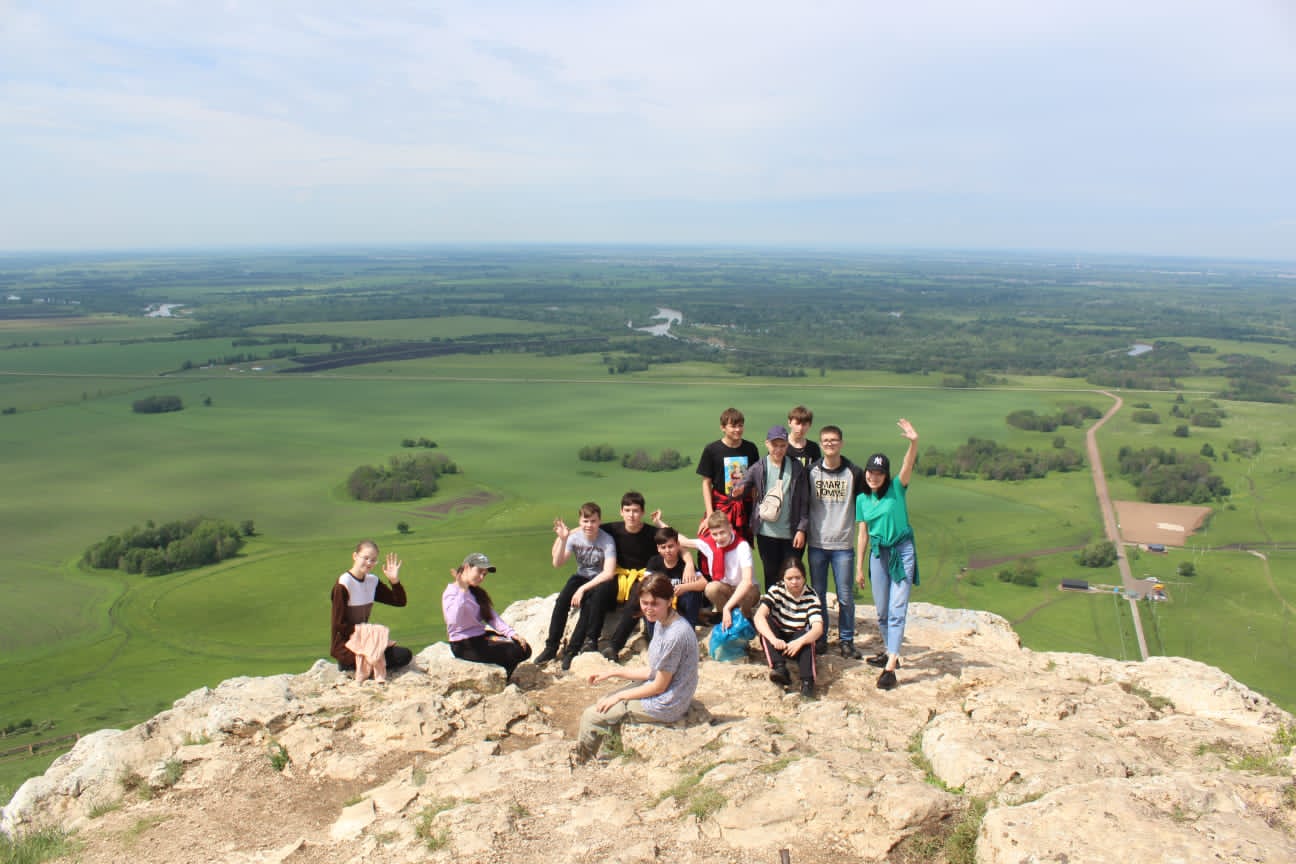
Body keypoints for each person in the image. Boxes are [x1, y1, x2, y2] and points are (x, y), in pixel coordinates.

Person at [575, 573, 701, 762]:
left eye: (654, 604)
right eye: (644, 603)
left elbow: (659, 686)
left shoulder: (675, 635)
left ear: (669, 601)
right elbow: (655, 670)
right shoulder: (662, 621)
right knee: (605, 700)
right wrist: (614, 672)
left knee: (592, 715)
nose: (648, 609)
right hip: (665, 687)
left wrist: (620, 696)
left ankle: (582, 760)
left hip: (668, 702)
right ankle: (612, 751)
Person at [855, 418, 921, 690]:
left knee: (897, 609)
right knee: (882, 610)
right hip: (878, 554)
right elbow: (863, 533)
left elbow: (908, 465)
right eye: (870, 472)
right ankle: (889, 649)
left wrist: (913, 442)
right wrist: (859, 567)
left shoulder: (896, 488)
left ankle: (891, 666)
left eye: (878, 473)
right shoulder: (862, 499)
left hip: (901, 552)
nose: (873, 477)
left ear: (886, 475)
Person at [807, 424, 867, 658]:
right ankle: (820, 638)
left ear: (841, 443)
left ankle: (846, 641)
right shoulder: (811, 471)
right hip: (817, 543)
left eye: (834, 440)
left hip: (843, 544)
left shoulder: (854, 472)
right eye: (826, 440)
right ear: (821, 444)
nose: (830, 444)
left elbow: (864, 506)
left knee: (845, 596)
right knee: (818, 595)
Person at [534, 502, 617, 671]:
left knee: (588, 607)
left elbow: (608, 572)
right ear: (580, 521)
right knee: (561, 602)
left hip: (599, 579)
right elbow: (557, 563)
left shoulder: (607, 540)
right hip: (580, 576)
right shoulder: (574, 537)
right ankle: (551, 647)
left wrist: (582, 589)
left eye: (593, 521)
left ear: (599, 521)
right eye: (585, 521)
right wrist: (563, 539)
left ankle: (572, 650)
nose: (589, 525)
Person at [607, 526, 707, 658]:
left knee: (692, 594)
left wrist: (685, 587)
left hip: (680, 605)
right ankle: (619, 645)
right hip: (660, 606)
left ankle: (688, 636)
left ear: (678, 546)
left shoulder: (684, 564)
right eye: (663, 547)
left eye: (671, 546)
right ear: (658, 549)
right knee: (644, 597)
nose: (667, 551)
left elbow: (703, 583)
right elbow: (646, 584)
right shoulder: (655, 562)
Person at [732, 425, 809, 591]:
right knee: (771, 574)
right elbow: (742, 486)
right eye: (775, 445)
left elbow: (804, 502)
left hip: (791, 533)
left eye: (782, 445)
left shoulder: (797, 467)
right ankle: (772, 607)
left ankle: (791, 607)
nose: (778, 450)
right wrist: (737, 491)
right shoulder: (759, 467)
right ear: (767, 444)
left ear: (787, 445)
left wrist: (801, 529)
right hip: (766, 532)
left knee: (792, 576)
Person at [587, 491, 662, 660]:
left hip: (643, 576)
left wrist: (688, 562)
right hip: (619, 574)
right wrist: (566, 535)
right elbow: (589, 527)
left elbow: (674, 540)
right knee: (601, 591)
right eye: (627, 510)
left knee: (638, 598)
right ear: (621, 512)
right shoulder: (613, 529)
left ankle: (615, 646)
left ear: (642, 512)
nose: (631, 515)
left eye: (635, 511)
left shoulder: (652, 533)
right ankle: (591, 640)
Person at [443, 552, 531, 680]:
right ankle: (502, 678)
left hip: (481, 637)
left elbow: (492, 617)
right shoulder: (451, 592)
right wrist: (462, 591)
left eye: (484, 574)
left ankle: (503, 675)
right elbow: (453, 620)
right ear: (466, 567)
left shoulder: (475, 592)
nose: (481, 577)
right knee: (514, 651)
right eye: (479, 572)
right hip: (464, 644)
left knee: (523, 648)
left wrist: (512, 634)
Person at [330, 540, 413, 675]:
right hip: (346, 647)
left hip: (365, 642)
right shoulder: (344, 584)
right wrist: (371, 633)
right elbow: (339, 625)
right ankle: (353, 665)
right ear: (355, 556)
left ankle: (367, 664)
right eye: (365, 558)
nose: (369, 563)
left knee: (404, 655)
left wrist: (394, 581)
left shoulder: (372, 581)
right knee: (388, 657)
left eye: (373, 560)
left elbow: (399, 601)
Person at [753, 558, 824, 698]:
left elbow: (818, 628)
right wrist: (773, 639)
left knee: (808, 638)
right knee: (766, 626)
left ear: (804, 577)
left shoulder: (811, 596)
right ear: (783, 578)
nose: (794, 582)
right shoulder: (777, 590)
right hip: (778, 637)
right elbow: (759, 616)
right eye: (789, 578)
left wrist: (799, 642)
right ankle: (779, 667)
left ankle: (807, 682)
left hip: (797, 636)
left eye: (798, 578)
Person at [678, 511, 758, 629]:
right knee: (711, 588)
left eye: (722, 532)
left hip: (745, 589)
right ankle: (724, 614)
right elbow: (682, 541)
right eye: (715, 534)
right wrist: (659, 523)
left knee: (750, 591)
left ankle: (745, 615)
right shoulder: (709, 544)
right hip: (726, 588)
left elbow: (747, 581)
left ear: (729, 528)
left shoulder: (742, 546)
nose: (719, 538)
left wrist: (727, 607)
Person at [696, 407, 760, 548]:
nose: (738, 430)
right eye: (733, 426)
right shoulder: (712, 450)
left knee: (742, 547)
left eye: (740, 426)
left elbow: (755, 483)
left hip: (744, 507)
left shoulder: (751, 448)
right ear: (723, 428)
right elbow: (706, 483)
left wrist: (755, 510)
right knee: (714, 545)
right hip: (720, 507)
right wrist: (710, 514)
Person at [786, 405, 822, 469]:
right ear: (789, 423)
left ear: (810, 425)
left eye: (804, 424)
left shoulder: (813, 448)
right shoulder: (780, 446)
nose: (800, 428)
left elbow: (817, 471)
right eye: (797, 423)